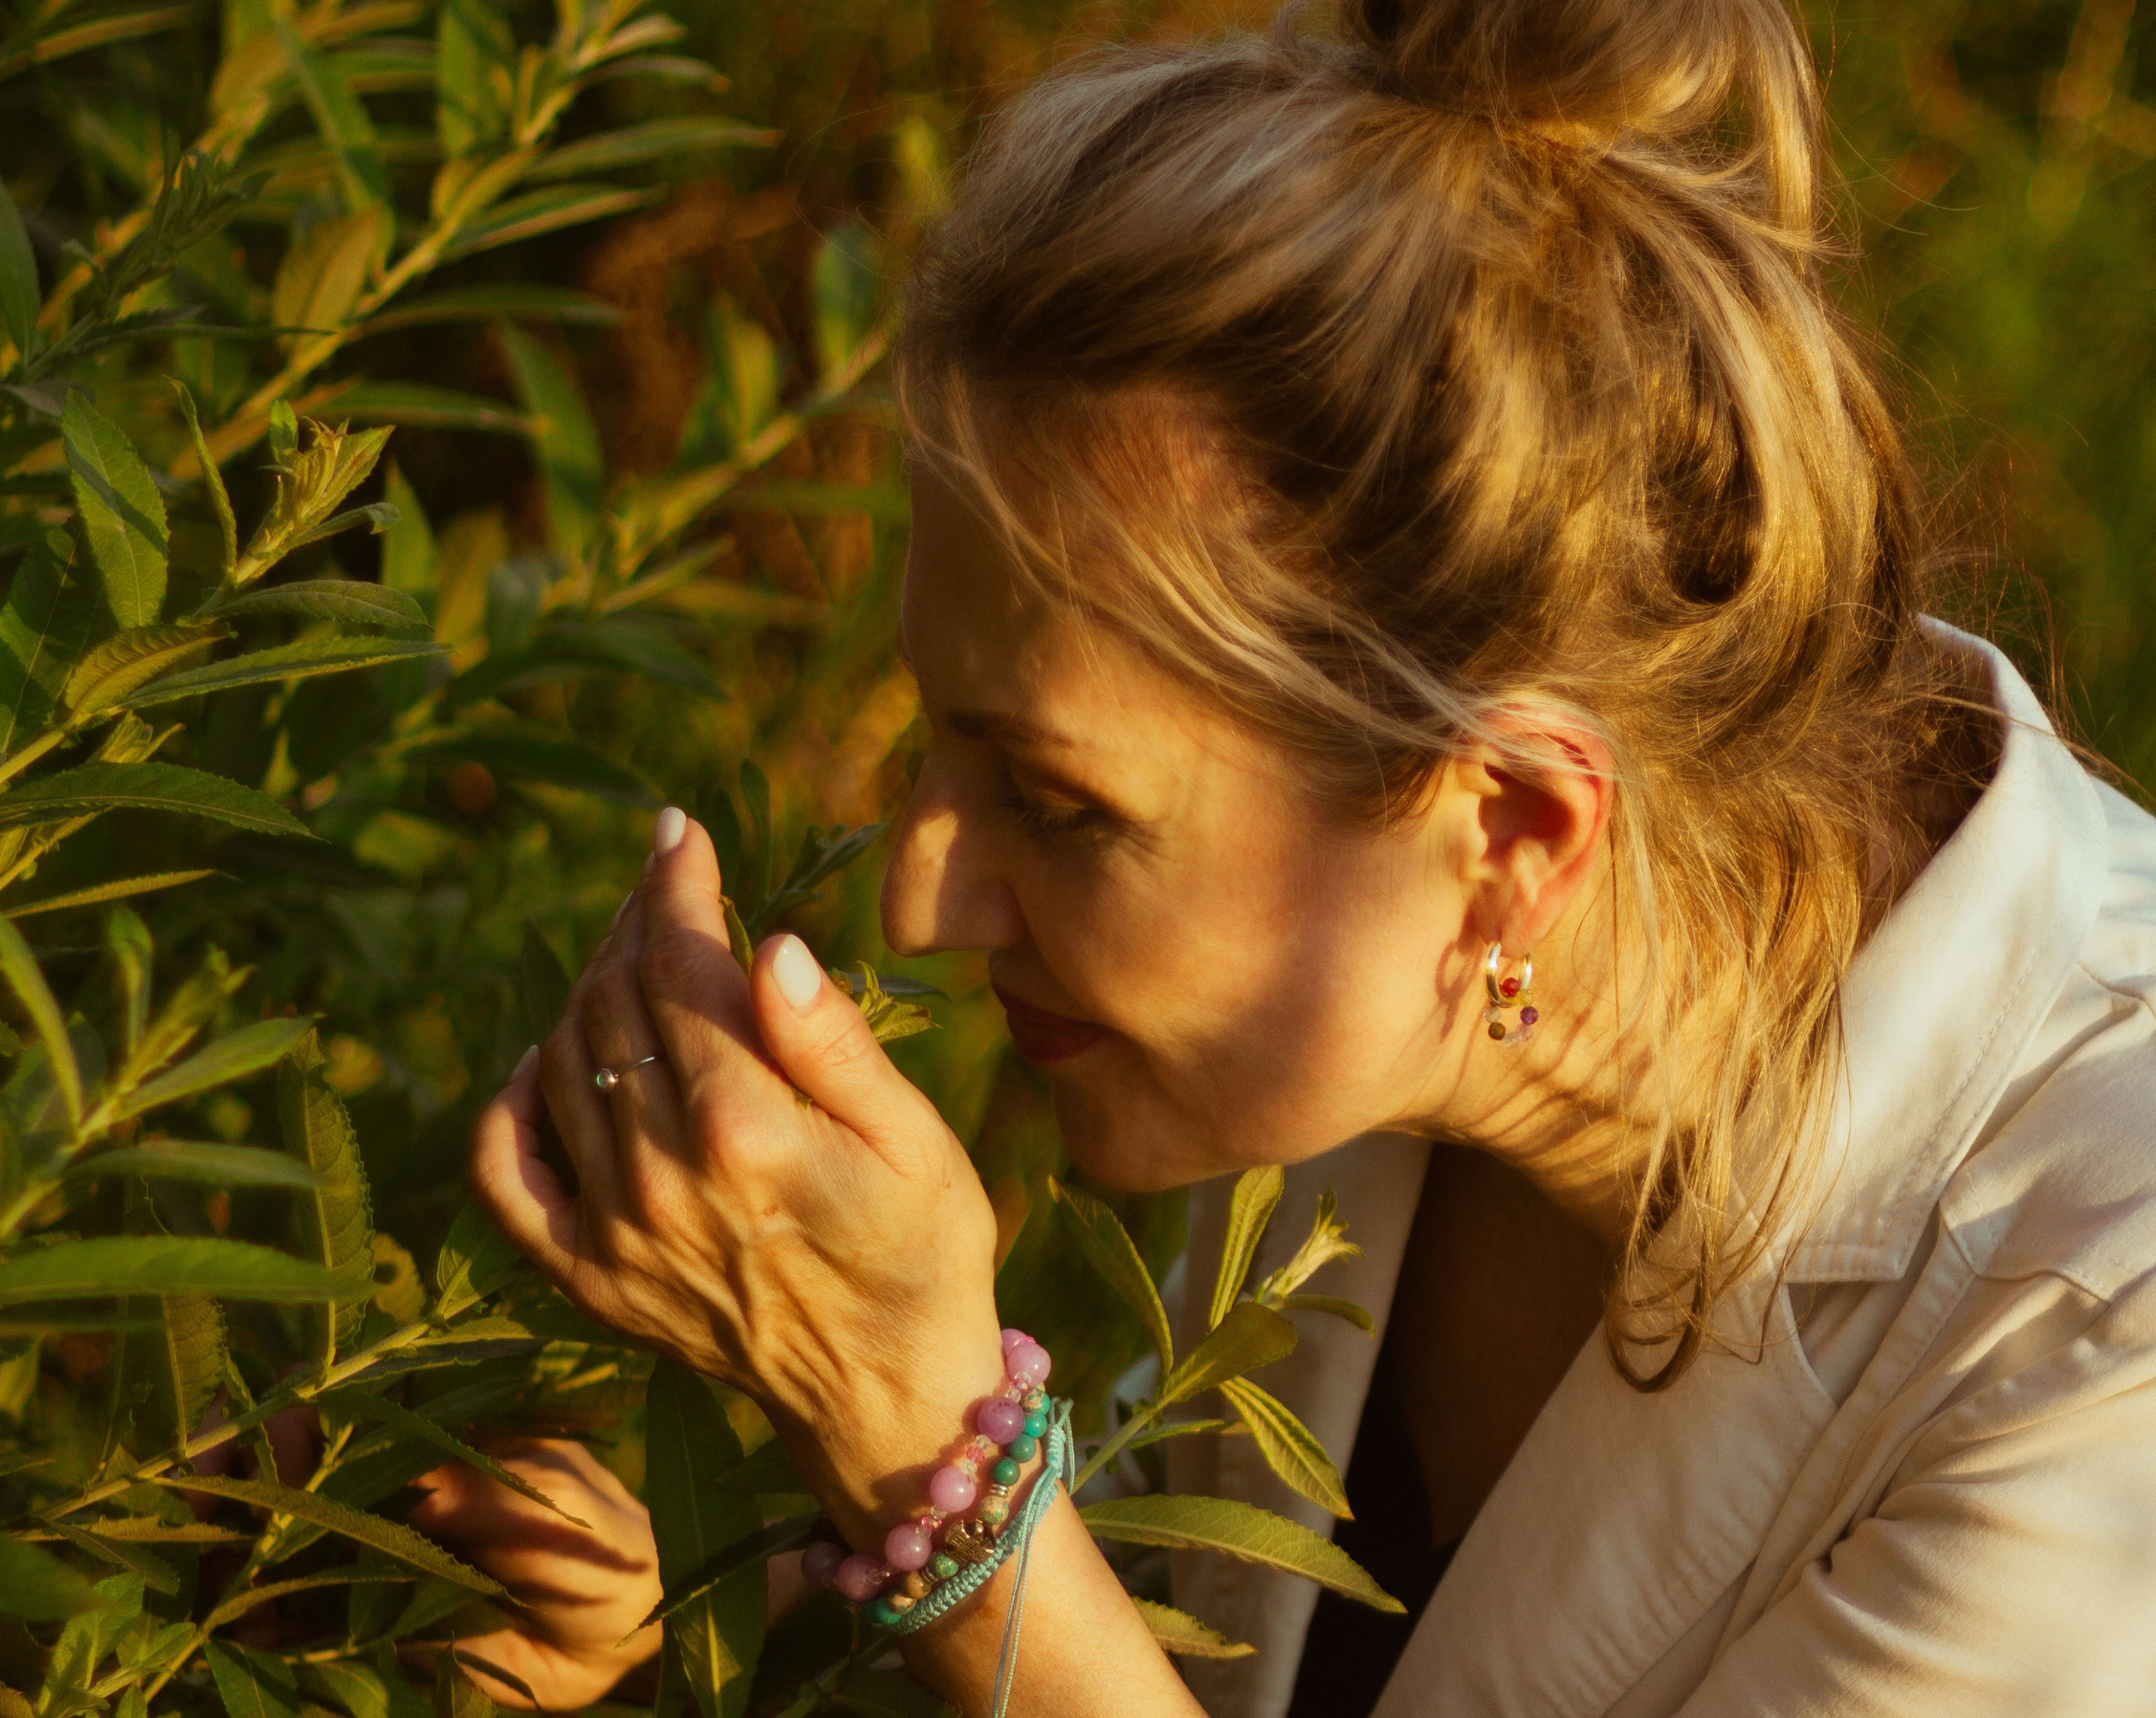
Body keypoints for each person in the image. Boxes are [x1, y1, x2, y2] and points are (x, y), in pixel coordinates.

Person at [443, 0, 2156, 1710]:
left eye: (1058, 804)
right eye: (935, 734)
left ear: (1515, 835)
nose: (918, 896)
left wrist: (917, 1440)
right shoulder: (1383, 1005)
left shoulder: (2106, 1337)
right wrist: (667, 1611)